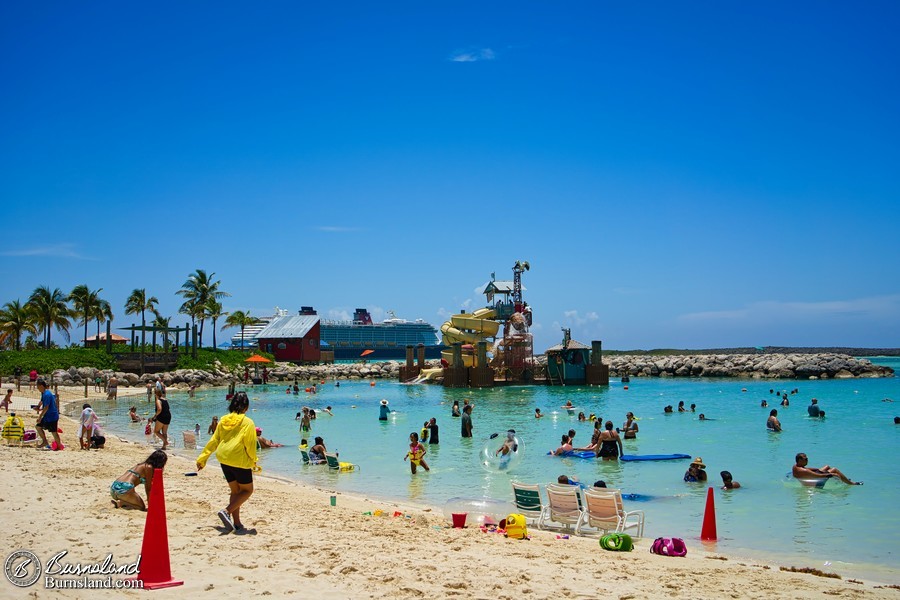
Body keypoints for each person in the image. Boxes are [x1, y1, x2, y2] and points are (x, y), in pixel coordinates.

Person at [197, 391, 259, 533]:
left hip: (223, 458)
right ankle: (227, 511)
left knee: (235, 491)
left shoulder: (223, 420)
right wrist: (253, 461)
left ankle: (237, 524)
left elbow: (214, 440)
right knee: (247, 490)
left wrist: (202, 459)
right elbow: (250, 444)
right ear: (246, 407)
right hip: (239, 459)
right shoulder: (248, 422)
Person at [792, 452, 862, 485]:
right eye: (806, 459)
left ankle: (844, 479)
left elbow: (808, 470)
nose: (807, 460)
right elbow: (817, 476)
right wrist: (830, 474)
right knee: (834, 470)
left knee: (827, 466)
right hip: (815, 483)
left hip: (810, 476)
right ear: (800, 460)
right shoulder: (804, 471)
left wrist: (817, 470)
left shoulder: (795, 466)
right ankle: (851, 483)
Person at [35, 379, 62, 450]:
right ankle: (45, 441)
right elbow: (43, 403)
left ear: (41, 386)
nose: (37, 388)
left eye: (37, 387)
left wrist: (40, 417)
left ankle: (59, 446)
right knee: (38, 426)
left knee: (54, 432)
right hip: (48, 416)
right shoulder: (44, 393)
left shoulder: (47, 394)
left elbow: (46, 407)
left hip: (52, 416)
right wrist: (38, 407)